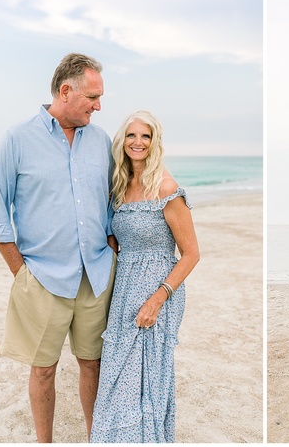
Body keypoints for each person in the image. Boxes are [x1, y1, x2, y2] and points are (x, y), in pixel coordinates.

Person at [0, 53, 117, 442]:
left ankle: (96, 438)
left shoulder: (102, 140)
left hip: (95, 276)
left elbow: (111, 201)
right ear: (65, 90)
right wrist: (22, 273)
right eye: (93, 96)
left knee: (94, 364)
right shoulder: (18, 139)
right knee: (43, 369)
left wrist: (111, 247)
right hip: (42, 278)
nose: (99, 105)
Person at [90, 111, 200, 443]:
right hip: (124, 289)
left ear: (155, 143)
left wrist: (157, 298)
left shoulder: (167, 188)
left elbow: (191, 254)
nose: (138, 142)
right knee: (116, 375)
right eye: (132, 135)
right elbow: (115, 239)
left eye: (146, 136)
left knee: (149, 376)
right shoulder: (119, 187)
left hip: (159, 292)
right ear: (122, 142)